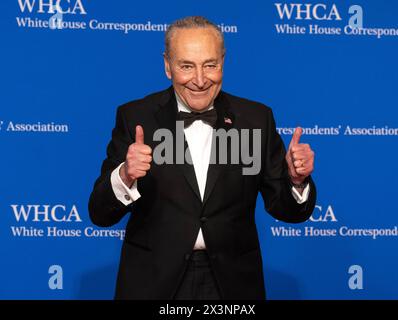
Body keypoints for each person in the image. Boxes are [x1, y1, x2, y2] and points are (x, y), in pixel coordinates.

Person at [89, 16, 316, 300]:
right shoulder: (136, 117)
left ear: (223, 62)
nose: (199, 80)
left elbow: (288, 211)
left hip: (233, 285)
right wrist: (125, 176)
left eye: (210, 65)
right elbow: (99, 214)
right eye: (186, 66)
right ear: (167, 66)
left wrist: (296, 181)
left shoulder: (256, 119)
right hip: (153, 282)